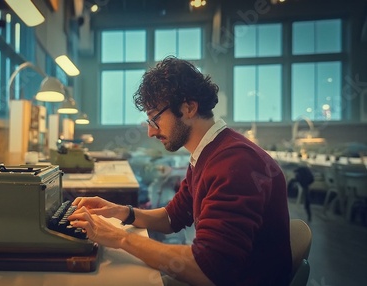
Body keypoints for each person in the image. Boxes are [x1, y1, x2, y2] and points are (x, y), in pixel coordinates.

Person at [68, 56, 292, 286]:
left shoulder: (236, 162)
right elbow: (172, 217)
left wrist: (120, 238)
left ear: (189, 107)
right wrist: (120, 212)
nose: (151, 133)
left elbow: (208, 269)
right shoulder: (207, 153)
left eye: (155, 119)